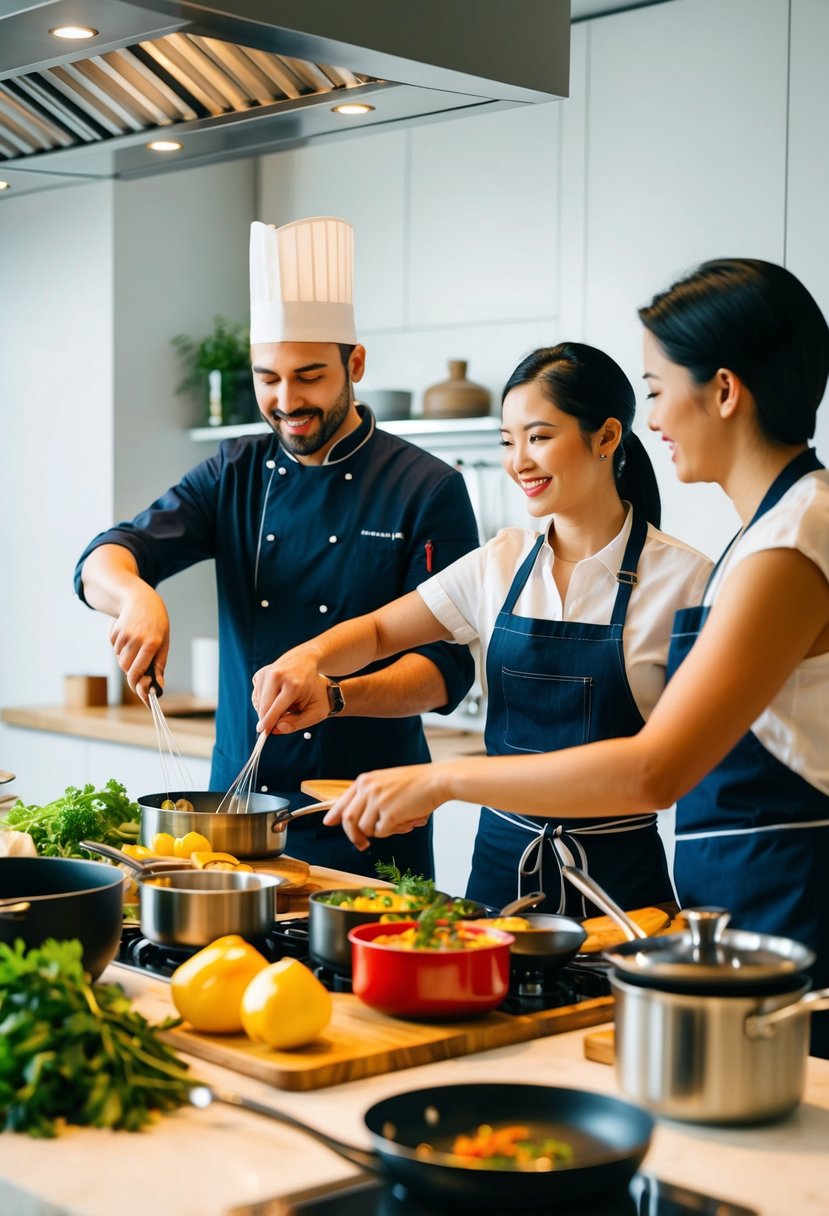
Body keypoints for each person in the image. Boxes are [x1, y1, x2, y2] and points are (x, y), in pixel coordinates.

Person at [317, 259, 829, 1057]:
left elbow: (652, 773)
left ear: (724, 391)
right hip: (741, 904)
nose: (653, 415)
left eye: (657, 387)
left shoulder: (786, 544)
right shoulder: (765, 536)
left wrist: (443, 779)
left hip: (785, 910)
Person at [74, 215, 478, 879]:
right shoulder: (233, 473)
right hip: (232, 825)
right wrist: (135, 596)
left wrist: (340, 693)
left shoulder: (427, 488)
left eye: (309, 376)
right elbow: (106, 556)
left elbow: (447, 669)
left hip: (368, 818)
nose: (286, 400)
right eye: (268, 378)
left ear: (355, 364)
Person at [252, 341, 712, 914]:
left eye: (539, 437)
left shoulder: (686, 582)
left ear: (607, 437)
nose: (519, 460)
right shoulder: (501, 560)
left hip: (621, 895)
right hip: (500, 880)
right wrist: (309, 661)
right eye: (507, 441)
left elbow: (662, 770)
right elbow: (376, 634)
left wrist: (445, 781)